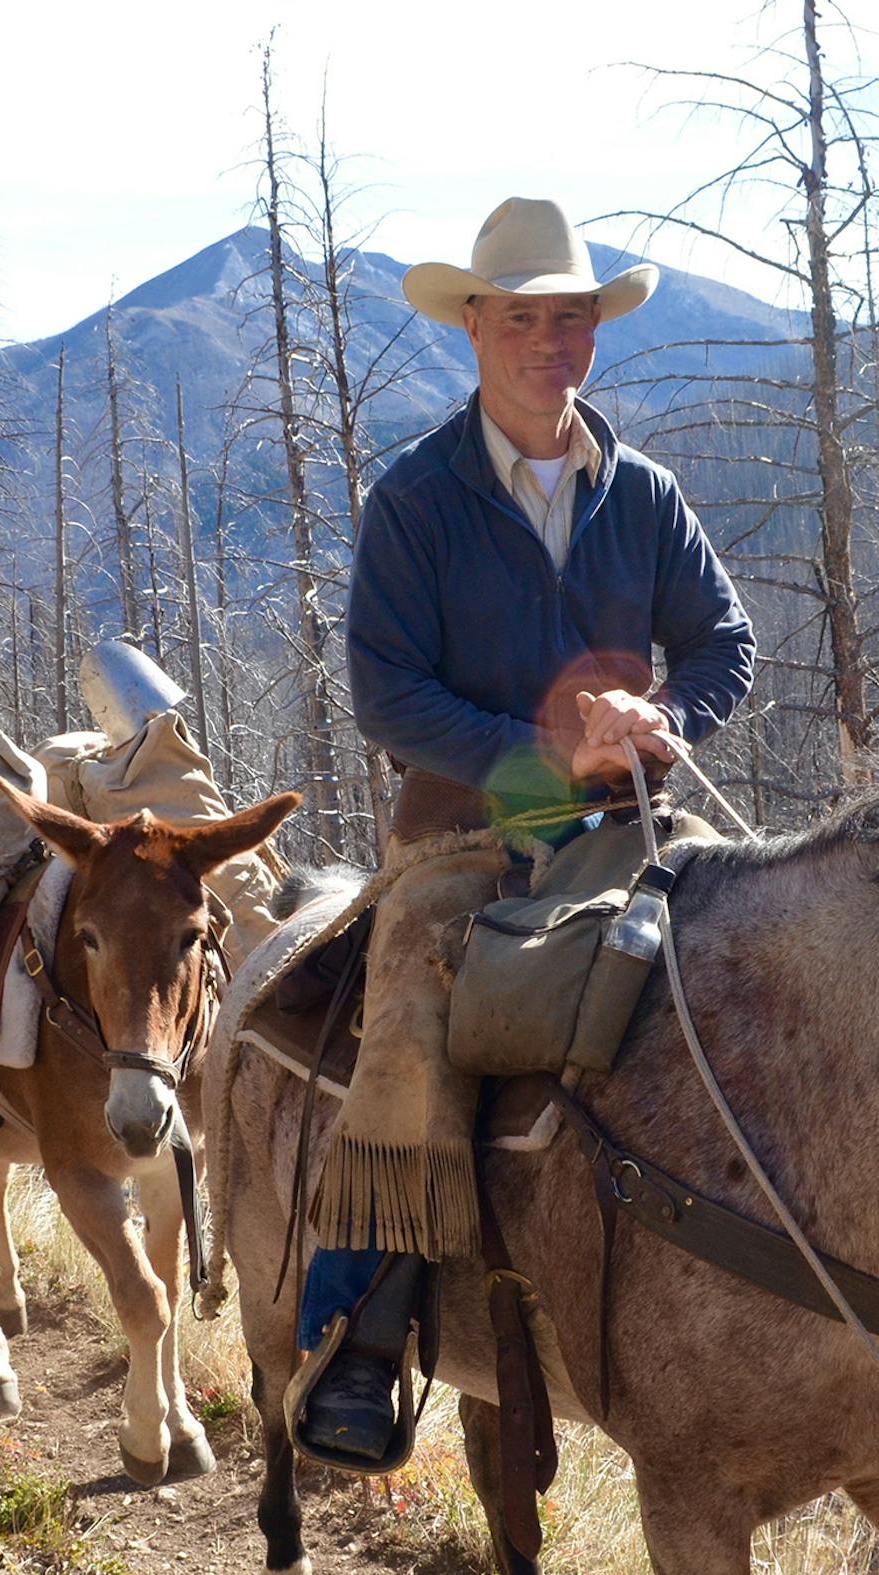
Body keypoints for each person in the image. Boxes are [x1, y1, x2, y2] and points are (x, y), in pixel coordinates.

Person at [295, 197, 756, 1465]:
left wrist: (662, 718)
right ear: (476, 331)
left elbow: (728, 643)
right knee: (412, 1013)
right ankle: (362, 1338)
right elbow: (390, 695)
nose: (550, 341)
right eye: (522, 320)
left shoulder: (644, 494)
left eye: (571, 319)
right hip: (466, 839)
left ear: (594, 336)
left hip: (640, 820)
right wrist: (549, 754)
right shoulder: (417, 502)